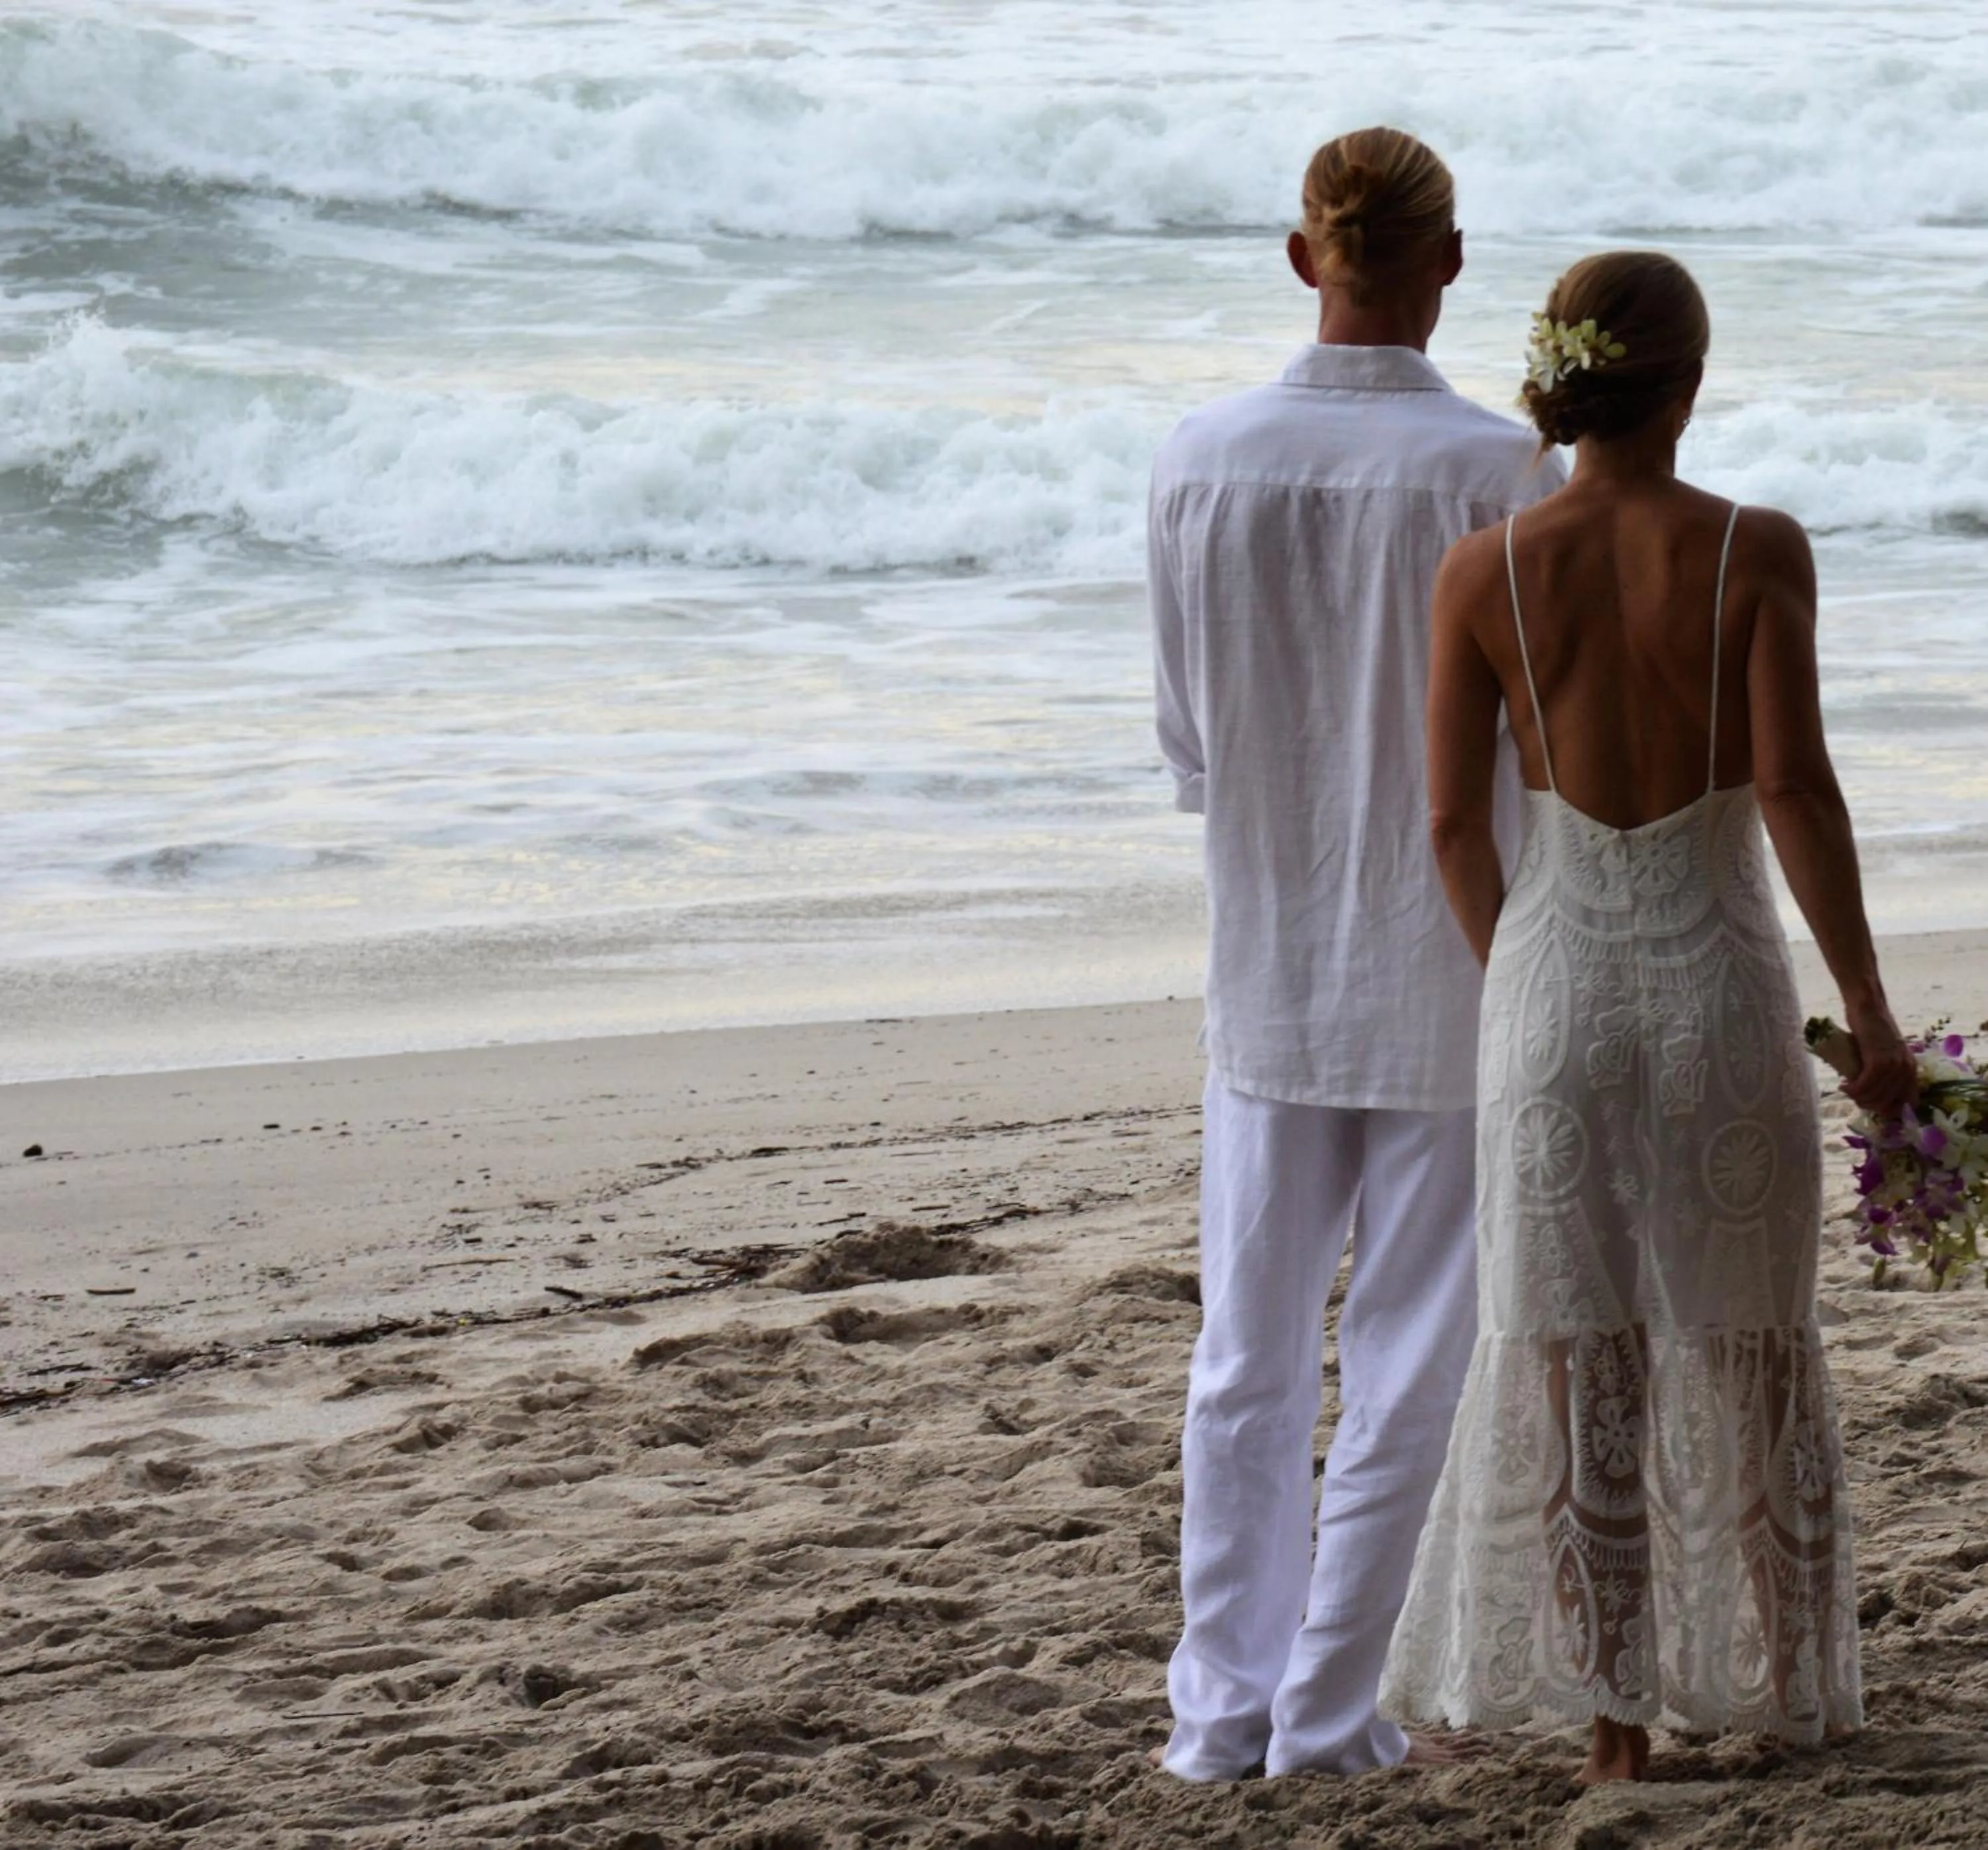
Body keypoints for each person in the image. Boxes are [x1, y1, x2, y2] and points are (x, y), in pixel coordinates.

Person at [1378, 250, 1915, 1783]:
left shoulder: (1482, 570)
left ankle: (1616, 1734)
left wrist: (1523, 982)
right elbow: (1796, 787)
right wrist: (1871, 1011)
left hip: (1552, 994)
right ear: (1686, 385)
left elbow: (1452, 830)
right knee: (1745, 1334)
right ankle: (1781, 1684)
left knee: (1574, 1353)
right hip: (1717, 983)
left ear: (1565, 378)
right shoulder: (1758, 549)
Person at [1149, 126, 1564, 1780]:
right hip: (1454, 957)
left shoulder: (1199, 457)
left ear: (1300, 255)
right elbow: (1535, 751)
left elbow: (1190, 744)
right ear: (1448, 264)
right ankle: (1327, 1713)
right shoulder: (1499, 474)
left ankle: (1216, 1714)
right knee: (1406, 1358)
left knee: (1245, 1357)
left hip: (1270, 956)